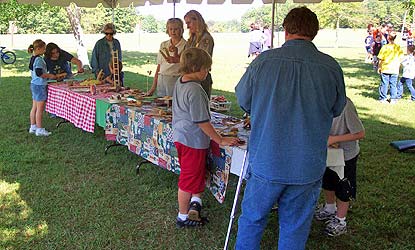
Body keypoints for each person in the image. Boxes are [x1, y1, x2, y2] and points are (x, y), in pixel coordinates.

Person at [234, 7, 346, 250]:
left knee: (253, 220)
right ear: (314, 32)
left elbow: (243, 100)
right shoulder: (330, 67)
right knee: (295, 227)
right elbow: (337, 108)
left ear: (286, 30)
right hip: (306, 163)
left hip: (267, 159)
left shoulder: (263, 61)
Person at [172, 47, 239, 228]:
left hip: (182, 135)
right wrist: (220, 139)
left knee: (194, 174)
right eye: (206, 68)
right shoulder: (195, 90)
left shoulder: (181, 81)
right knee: (188, 178)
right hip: (192, 140)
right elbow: (202, 121)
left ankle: (194, 204)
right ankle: (183, 217)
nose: (207, 72)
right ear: (196, 67)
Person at [315, 97, 365, 237]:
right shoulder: (317, 101)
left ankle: (340, 220)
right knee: (328, 180)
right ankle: (330, 208)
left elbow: (360, 133)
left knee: (343, 187)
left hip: (345, 155)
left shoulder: (345, 105)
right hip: (328, 152)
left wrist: (334, 139)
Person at [147, 18, 186, 97]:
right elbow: (159, 66)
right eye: (170, 29)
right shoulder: (163, 45)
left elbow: (186, 65)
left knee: (172, 104)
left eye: (176, 29)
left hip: (175, 78)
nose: (173, 31)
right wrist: (153, 87)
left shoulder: (186, 45)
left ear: (181, 30)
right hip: (161, 79)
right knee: (161, 104)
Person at [28, 39, 58, 137]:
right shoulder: (39, 59)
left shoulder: (32, 58)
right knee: (40, 109)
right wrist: (50, 76)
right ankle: (40, 129)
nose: (45, 50)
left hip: (34, 84)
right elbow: (39, 73)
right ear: (38, 48)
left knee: (34, 107)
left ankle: (33, 126)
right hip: (40, 85)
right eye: (44, 48)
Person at [184, 10, 214, 98]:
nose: (188, 26)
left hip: (201, 77)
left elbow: (202, 60)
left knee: (200, 106)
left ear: (197, 20)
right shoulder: (192, 39)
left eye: (189, 23)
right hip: (191, 76)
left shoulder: (206, 39)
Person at [377, 31, 404, 103]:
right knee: (393, 84)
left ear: (388, 38)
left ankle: (383, 98)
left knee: (384, 84)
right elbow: (401, 58)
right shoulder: (397, 47)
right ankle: (393, 99)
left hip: (385, 68)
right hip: (394, 69)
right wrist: (399, 65)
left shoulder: (385, 47)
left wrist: (379, 67)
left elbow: (380, 58)